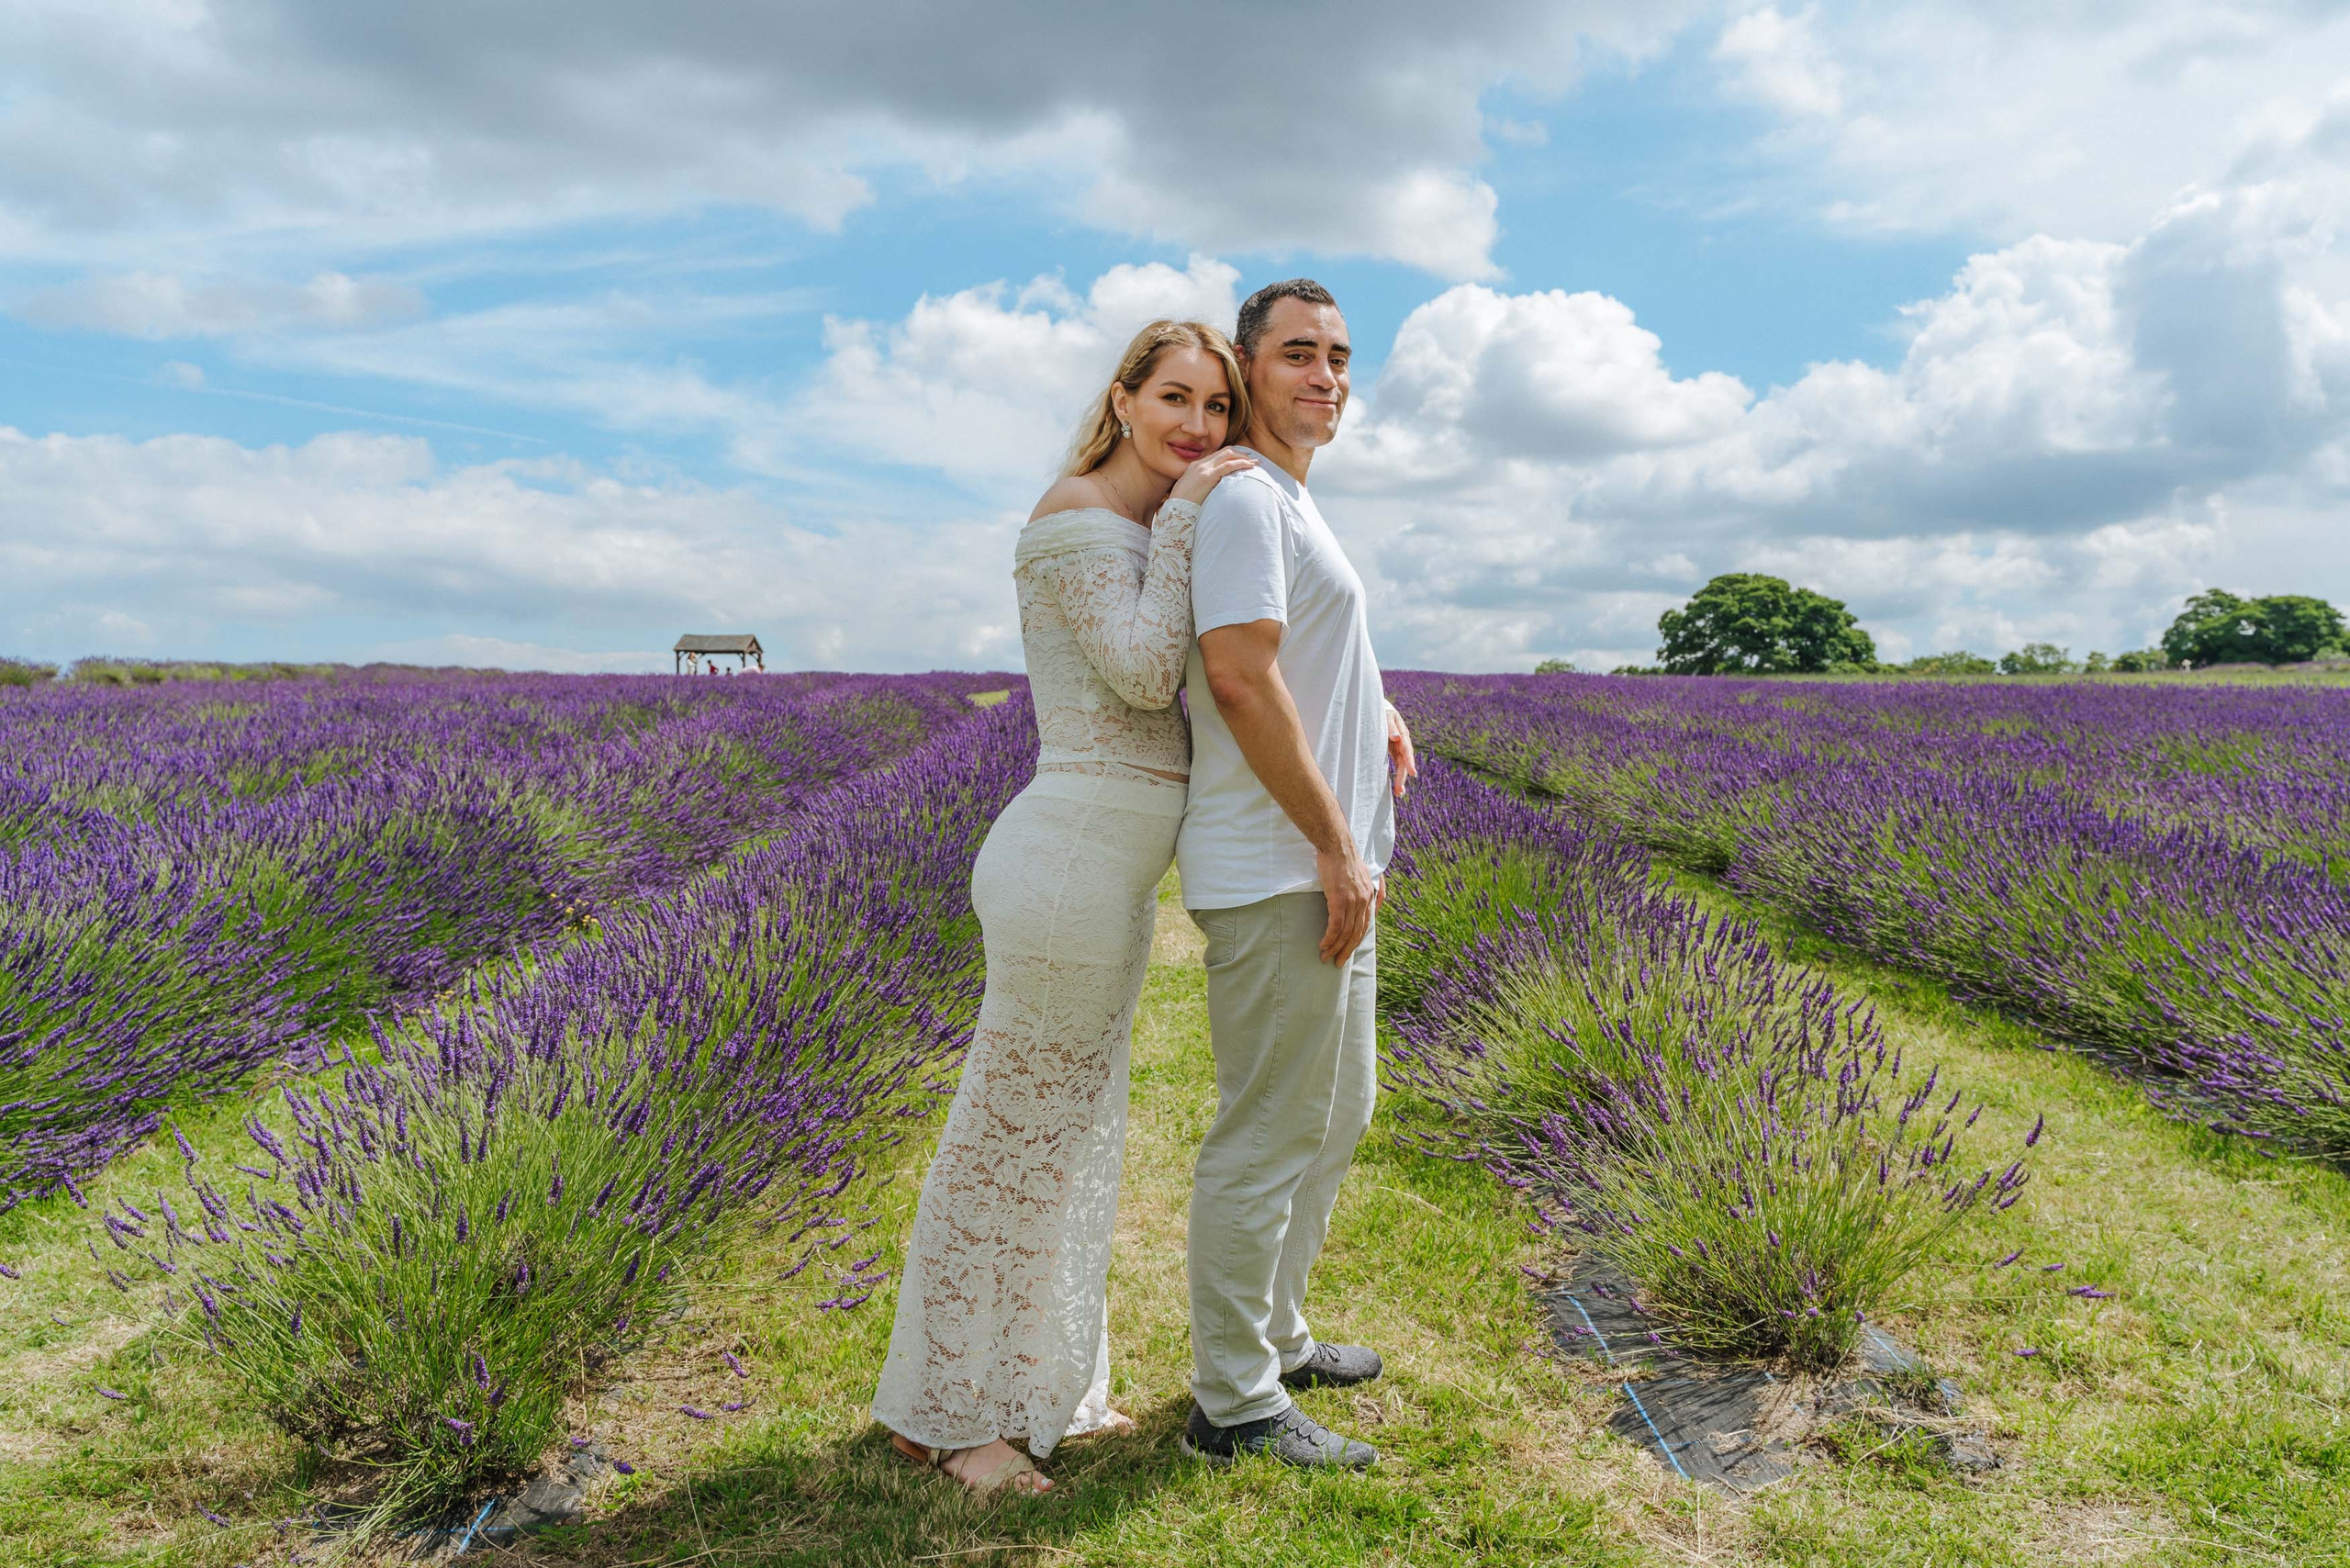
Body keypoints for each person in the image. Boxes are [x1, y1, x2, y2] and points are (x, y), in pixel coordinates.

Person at [872, 319, 1255, 1495]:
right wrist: (1193, 512)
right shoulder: (1078, 514)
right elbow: (1141, 671)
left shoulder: (1141, 523)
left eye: (1217, 408)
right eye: (1175, 397)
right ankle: (947, 1419)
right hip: (1065, 863)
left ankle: (1030, 1383)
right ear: (1123, 398)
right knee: (1007, 1142)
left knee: (1061, 1142)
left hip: (1105, 876)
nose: (1197, 426)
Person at [1177, 278, 1416, 1471]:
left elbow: (1305, 653)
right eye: (1298, 354)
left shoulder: (1289, 501)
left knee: (1335, 1116)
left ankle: (1276, 1337)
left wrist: (1379, 707)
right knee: (1268, 1135)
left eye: (1339, 357)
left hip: (1329, 870)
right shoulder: (1243, 501)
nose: (1326, 376)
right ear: (1247, 365)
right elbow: (1237, 673)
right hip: (1285, 870)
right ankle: (1232, 1405)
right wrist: (1331, 843)